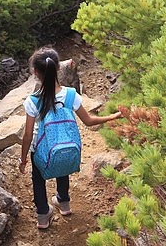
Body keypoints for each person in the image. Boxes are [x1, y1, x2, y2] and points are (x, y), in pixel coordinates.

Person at [18, 46, 122, 229]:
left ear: (35, 72)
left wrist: (23, 158)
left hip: (40, 149)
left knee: (38, 179)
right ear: (59, 67)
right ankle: (63, 203)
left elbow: (27, 135)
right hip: (66, 143)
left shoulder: (33, 101)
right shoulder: (71, 95)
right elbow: (89, 121)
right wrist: (112, 117)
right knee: (62, 164)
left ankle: (43, 215)